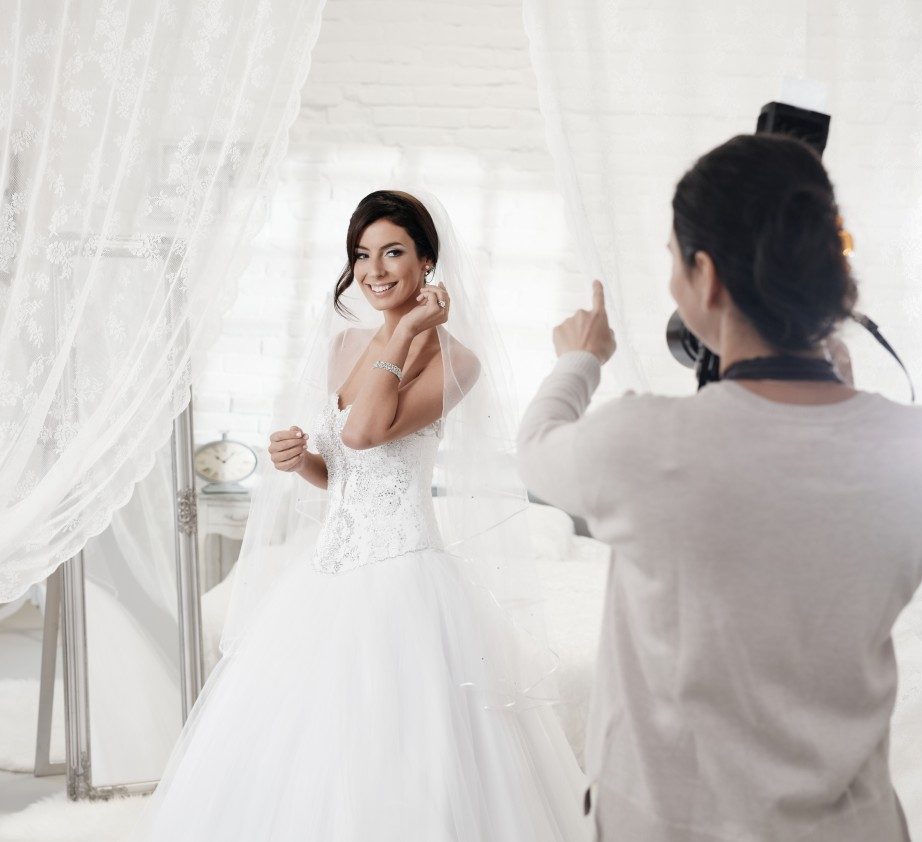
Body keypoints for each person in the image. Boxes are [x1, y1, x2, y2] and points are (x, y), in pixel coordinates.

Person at [517, 134, 922, 841]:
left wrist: (578, 361)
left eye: (672, 259)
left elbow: (535, 448)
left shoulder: (643, 444)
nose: (670, 279)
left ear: (708, 276)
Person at [131, 191, 588, 841]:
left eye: (393, 252)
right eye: (361, 255)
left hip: (405, 573)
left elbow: (368, 431)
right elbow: (343, 471)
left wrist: (404, 333)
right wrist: (299, 463)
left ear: (427, 262)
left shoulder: (458, 360)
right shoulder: (341, 344)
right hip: (327, 574)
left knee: (407, 747)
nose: (373, 270)